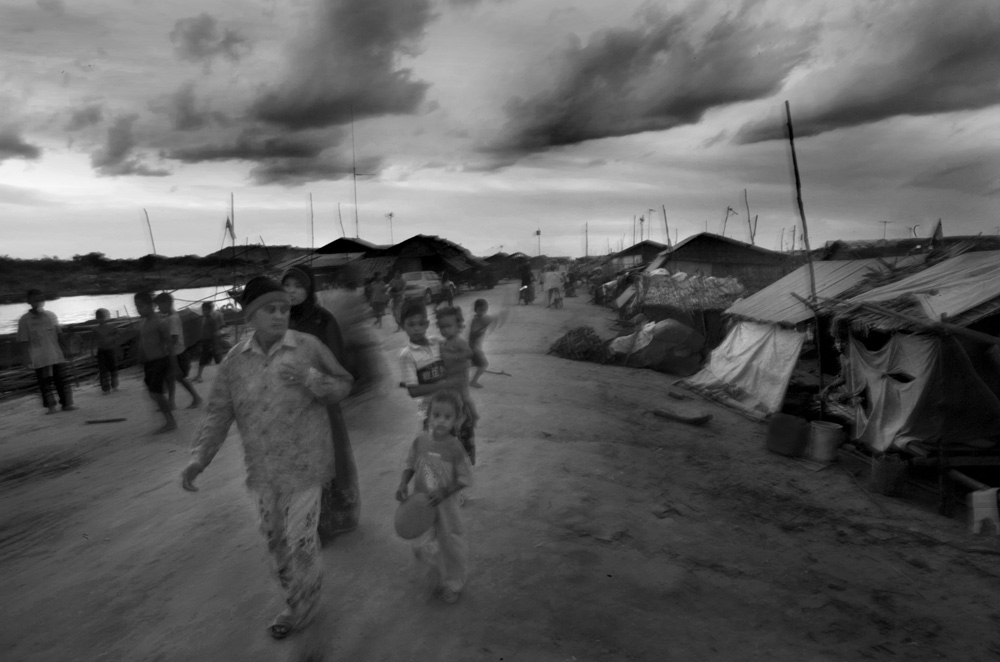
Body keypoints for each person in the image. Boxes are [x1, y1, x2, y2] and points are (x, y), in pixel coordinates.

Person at [181, 276, 354, 640]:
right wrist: (199, 457)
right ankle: (294, 596)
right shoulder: (234, 362)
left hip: (307, 466)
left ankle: (302, 606)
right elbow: (217, 412)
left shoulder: (309, 347)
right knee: (275, 540)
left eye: (284, 309)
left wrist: (311, 378)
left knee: (301, 540)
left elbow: (343, 385)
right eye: (270, 310)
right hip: (262, 472)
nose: (279, 316)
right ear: (250, 316)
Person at [282, 264, 361, 544]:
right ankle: (304, 523)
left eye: (298, 285)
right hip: (290, 407)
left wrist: (311, 379)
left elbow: (335, 364)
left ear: (309, 289)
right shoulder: (280, 319)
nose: (291, 291)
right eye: (287, 285)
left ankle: (329, 523)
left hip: (321, 402)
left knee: (326, 463)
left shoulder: (323, 320)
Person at [395, 389, 473, 604]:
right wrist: (403, 483)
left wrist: (445, 491)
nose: (441, 421)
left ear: (456, 420)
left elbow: (465, 478)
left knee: (451, 542)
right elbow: (410, 463)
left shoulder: (455, 448)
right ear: (428, 415)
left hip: (446, 506)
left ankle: (454, 582)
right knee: (420, 543)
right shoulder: (420, 441)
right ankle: (436, 570)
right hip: (422, 503)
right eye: (436, 415)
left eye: (447, 417)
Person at [398, 300, 476, 465]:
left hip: (453, 406)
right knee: (435, 454)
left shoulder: (437, 343)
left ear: (427, 324)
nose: (417, 328)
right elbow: (413, 391)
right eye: (411, 324)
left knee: (459, 450)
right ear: (402, 326)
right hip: (431, 412)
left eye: (421, 323)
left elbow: (460, 355)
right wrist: (445, 384)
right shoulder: (407, 355)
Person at [17, 289, 77, 414]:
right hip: (39, 357)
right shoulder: (25, 320)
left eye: (40, 299)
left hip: (56, 354)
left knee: (62, 380)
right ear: (28, 301)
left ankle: (66, 404)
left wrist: (67, 349)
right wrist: (26, 358)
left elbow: (60, 335)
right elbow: (23, 341)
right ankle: (51, 407)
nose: (38, 302)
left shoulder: (51, 315)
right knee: (45, 383)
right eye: (35, 300)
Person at [134, 291, 177, 434]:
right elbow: (143, 342)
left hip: (160, 361)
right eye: (137, 306)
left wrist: (173, 365)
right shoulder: (143, 322)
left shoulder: (160, 321)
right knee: (153, 393)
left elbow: (169, 344)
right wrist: (140, 358)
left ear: (150, 306)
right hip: (149, 363)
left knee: (156, 393)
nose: (138, 309)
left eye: (141, 306)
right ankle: (168, 414)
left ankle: (171, 422)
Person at [435, 305, 479, 439]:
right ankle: (456, 418)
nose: (445, 330)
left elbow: (469, 353)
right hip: (449, 376)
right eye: (442, 327)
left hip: (460, 376)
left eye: (448, 326)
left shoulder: (458, 341)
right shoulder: (444, 342)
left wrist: (452, 357)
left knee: (464, 397)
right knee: (452, 399)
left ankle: (474, 415)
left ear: (459, 326)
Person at [153, 292, 203, 409]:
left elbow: (174, 339)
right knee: (171, 378)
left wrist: (163, 345)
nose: (159, 309)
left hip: (177, 353)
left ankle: (196, 397)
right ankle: (171, 403)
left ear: (167, 304)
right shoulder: (169, 317)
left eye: (160, 306)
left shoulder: (173, 319)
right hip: (173, 353)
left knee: (179, 377)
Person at [90, 308, 119, 394]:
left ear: (106, 317)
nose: (100, 319)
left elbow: (119, 336)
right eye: (98, 317)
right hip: (101, 351)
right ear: (96, 318)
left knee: (113, 368)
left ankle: (115, 385)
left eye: (102, 317)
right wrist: (92, 352)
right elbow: (92, 341)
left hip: (110, 350)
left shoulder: (112, 328)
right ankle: (106, 388)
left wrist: (111, 339)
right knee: (103, 370)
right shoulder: (95, 329)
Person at [194, 302, 223, 383]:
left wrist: (216, 345)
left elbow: (216, 333)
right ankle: (199, 376)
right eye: (203, 310)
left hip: (212, 343)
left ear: (210, 310)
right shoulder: (205, 319)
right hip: (206, 342)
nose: (204, 311)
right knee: (203, 360)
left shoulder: (212, 319)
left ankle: (226, 375)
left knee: (219, 361)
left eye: (205, 310)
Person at [468, 299, 494, 388]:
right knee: (484, 364)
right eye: (480, 310)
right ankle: (473, 381)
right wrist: (483, 327)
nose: (482, 312)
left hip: (475, 347)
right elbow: (474, 333)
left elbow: (490, 319)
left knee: (470, 364)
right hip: (475, 348)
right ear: (476, 310)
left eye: (484, 310)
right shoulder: (476, 320)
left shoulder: (480, 318)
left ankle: (459, 378)